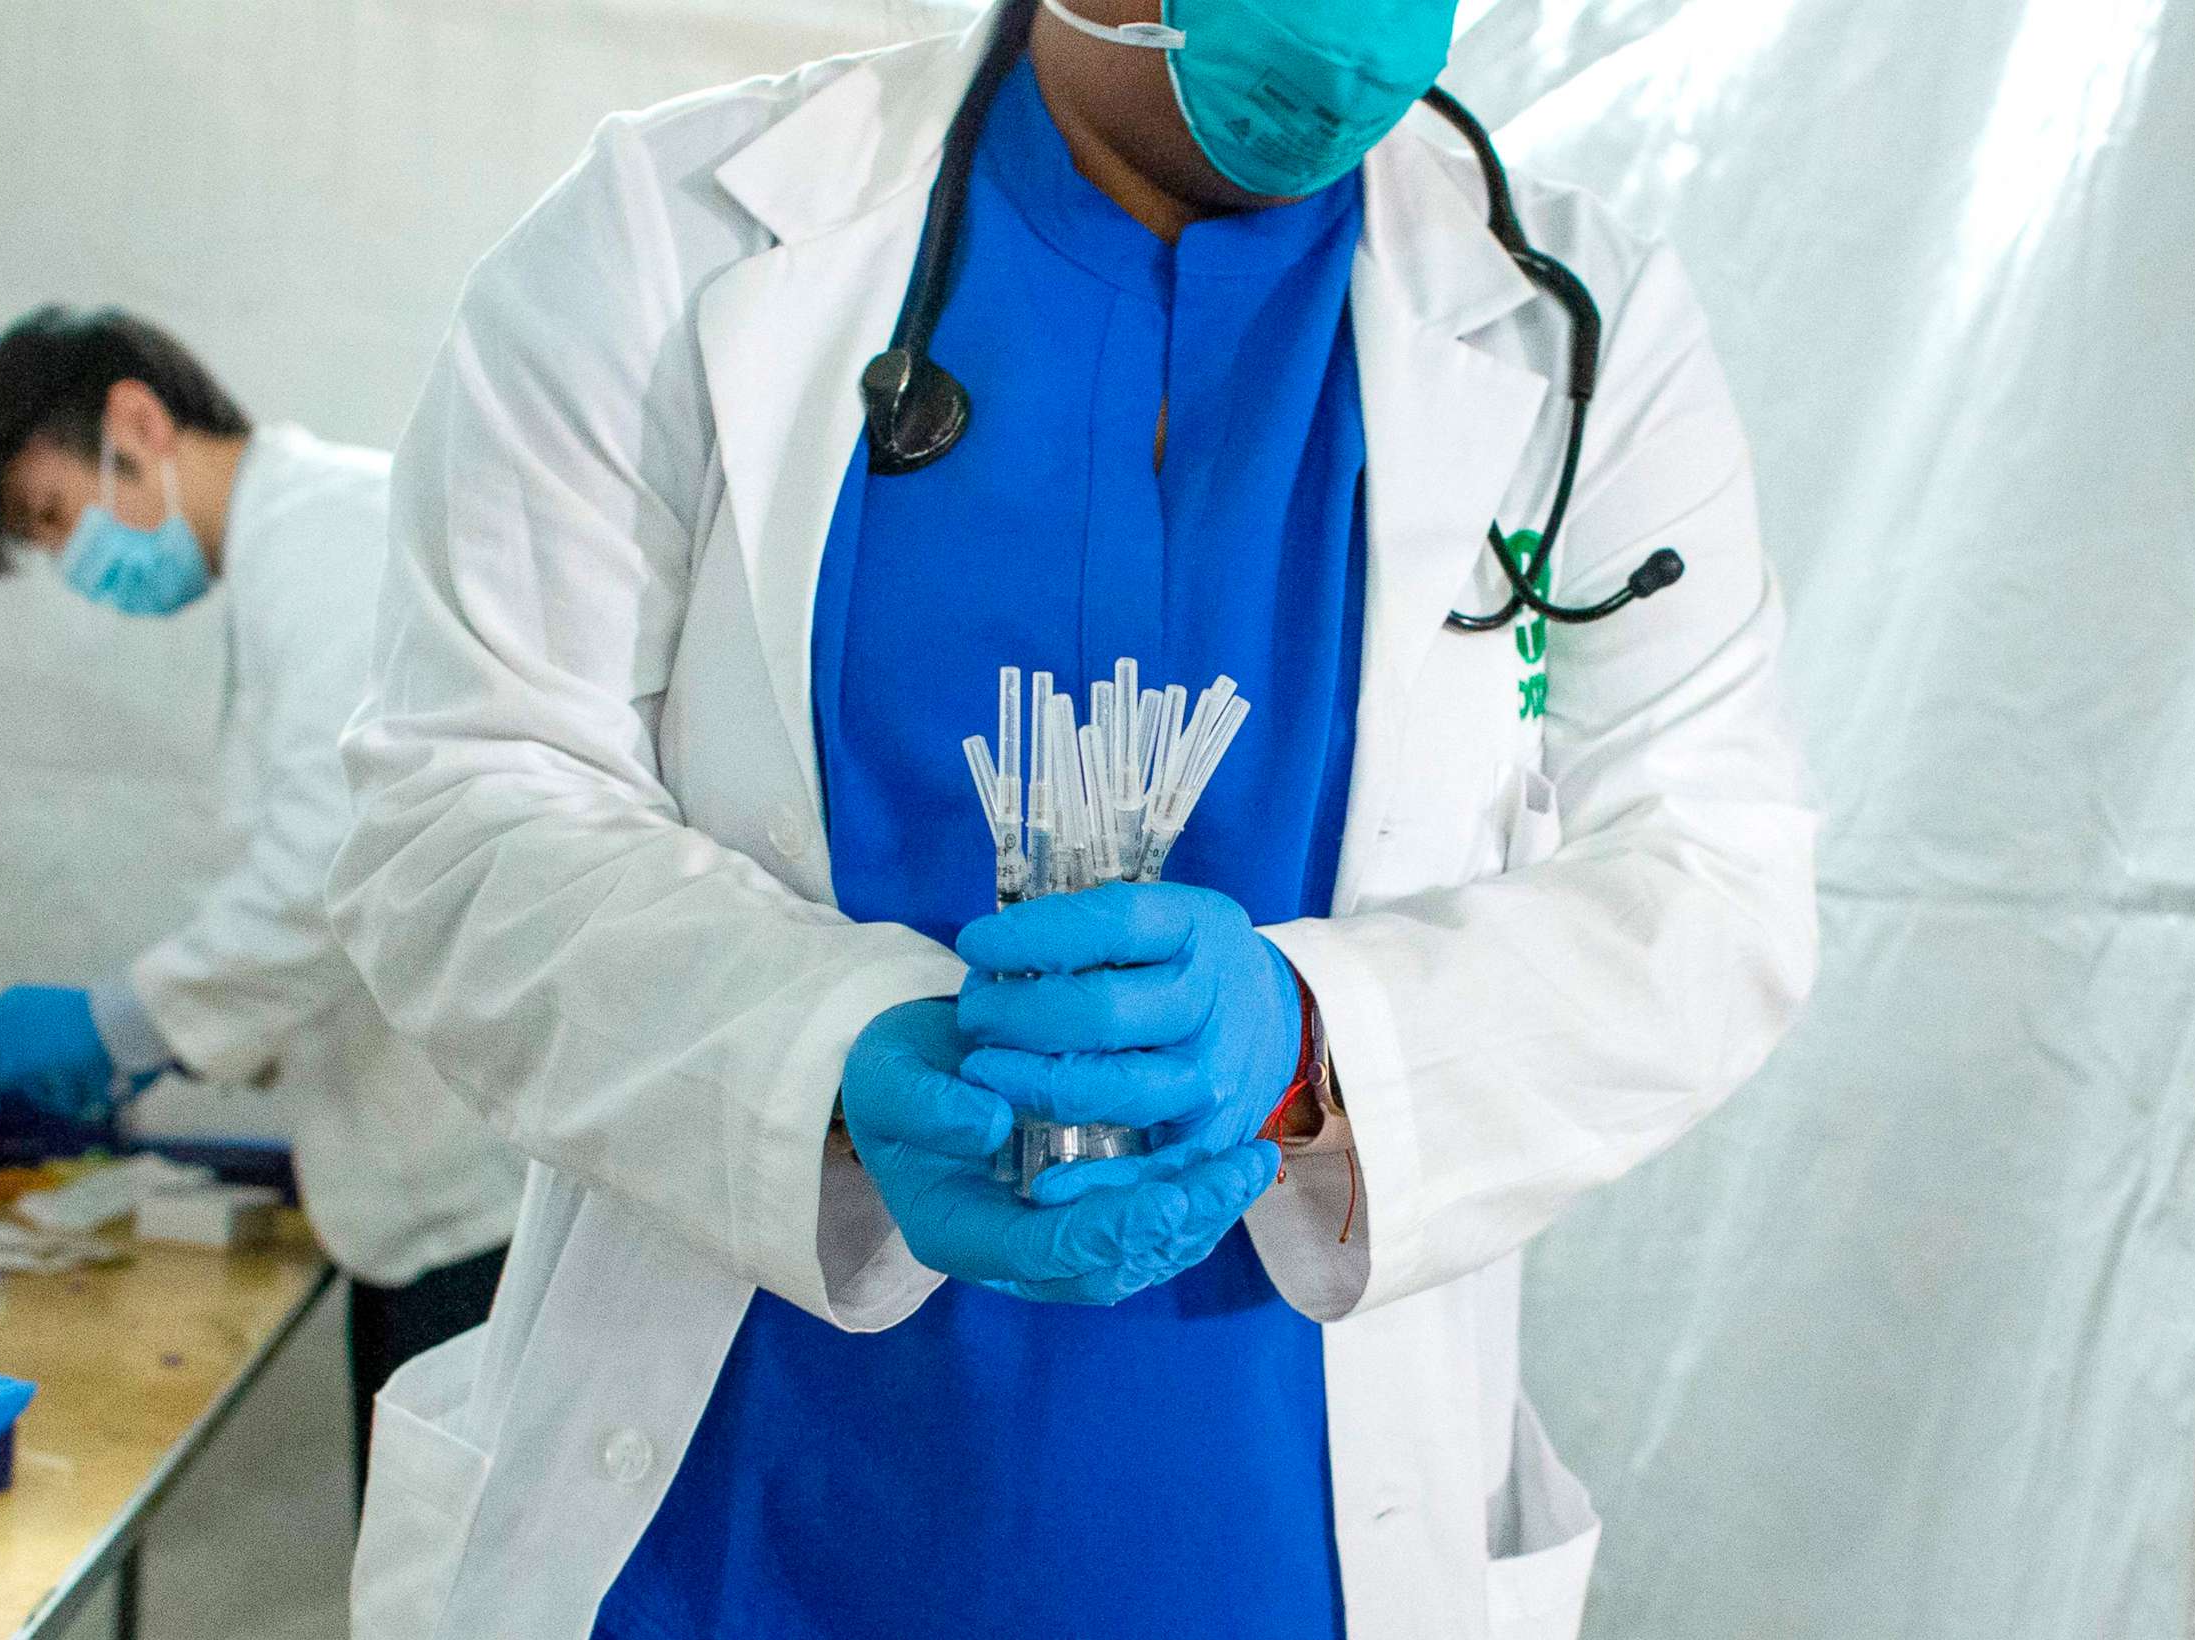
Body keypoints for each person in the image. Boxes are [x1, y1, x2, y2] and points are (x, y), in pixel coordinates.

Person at [327, 1, 1818, 1635]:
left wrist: (1310, 1042)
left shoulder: (1577, 335)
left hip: (1280, 1558)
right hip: (722, 1541)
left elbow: (1714, 886)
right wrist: (816, 1062)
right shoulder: (663, 242)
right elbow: (456, 814)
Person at [0, 309, 528, 1488]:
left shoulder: (331, 537)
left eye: (56, 517)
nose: (77, 566)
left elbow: (338, 860)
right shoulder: (288, 556)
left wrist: (124, 1016)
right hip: (427, 1199)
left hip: (476, 1201)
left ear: (137, 423)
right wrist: (183, 1038)